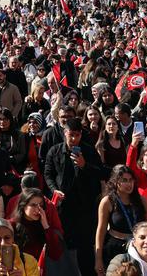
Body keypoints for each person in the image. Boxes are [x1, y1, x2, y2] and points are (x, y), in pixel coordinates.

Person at [44, 117, 106, 275]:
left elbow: (102, 173)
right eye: (71, 135)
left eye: (77, 135)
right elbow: (48, 174)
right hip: (63, 208)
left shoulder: (89, 151)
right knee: (64, 246)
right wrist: (54, 190)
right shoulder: (55, 151)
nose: (74, 139)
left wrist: (85, 165)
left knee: (85, 248)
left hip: (85, 208)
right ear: (65, 133)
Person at [95, 165, 147, 274]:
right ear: (115, 182)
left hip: (138, 248)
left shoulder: (142, 201)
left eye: (131, 180)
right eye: (124, 180)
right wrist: (98, 259)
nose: (129, 184)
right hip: (114, 249)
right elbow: (100, 231)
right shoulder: (107, 201)